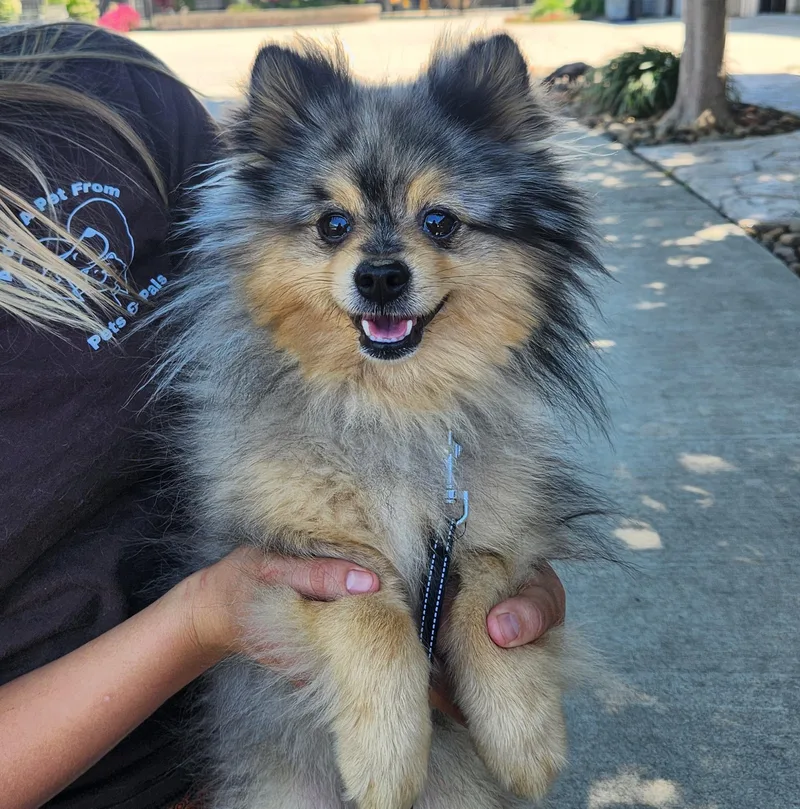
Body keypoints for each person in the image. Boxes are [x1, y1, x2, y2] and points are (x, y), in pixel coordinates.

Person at [0, 22, 567, 809]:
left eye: (439, 222)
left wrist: (497, 617)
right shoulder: (265, 448)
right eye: (333, 226)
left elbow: (511, 558)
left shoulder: (104, 84)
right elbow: (276, 568)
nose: (378, 262)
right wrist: (209, 619)